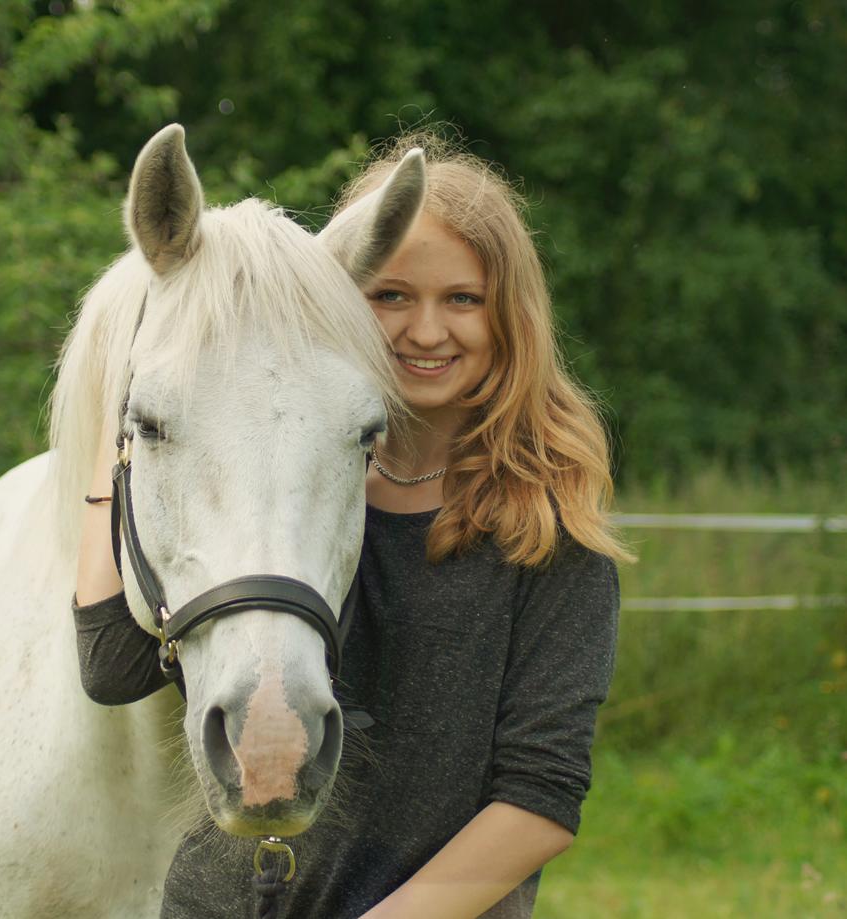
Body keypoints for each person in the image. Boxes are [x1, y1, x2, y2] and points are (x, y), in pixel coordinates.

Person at [72, 131, 631, 919]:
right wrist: (133, 392)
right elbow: (110, 665)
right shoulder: (293, 490)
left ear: (510, 316)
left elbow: (540, 794)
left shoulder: (548, 529)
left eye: (462, 299)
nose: (426, 331)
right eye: (393, 296)